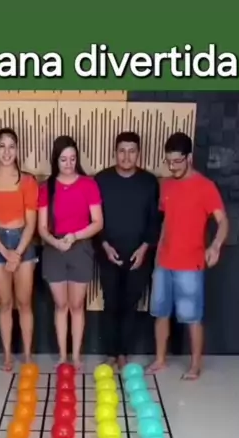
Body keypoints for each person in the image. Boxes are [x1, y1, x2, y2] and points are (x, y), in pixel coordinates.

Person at [148, 131, 228, 380]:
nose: (172, 166)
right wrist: (157, 256)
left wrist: (215, 246)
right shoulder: (167, 185)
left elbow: (223, 221)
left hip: (190, 265)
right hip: (164, 262)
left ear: (189, 158)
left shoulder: (205, 187)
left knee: (192, 317)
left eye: (177, 161)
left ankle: (195, 366)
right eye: (169, 161)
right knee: (160, 314)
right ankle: (160, 360)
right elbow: (167, 221)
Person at [95, 131, 161, 370]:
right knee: (111, 303)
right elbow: (94, 217)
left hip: (139, 255)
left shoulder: (149, 182)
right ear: (115, 152)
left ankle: (123, 352)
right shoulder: (101, 180)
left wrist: (144, 249)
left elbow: (155, 220)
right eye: (122, 151)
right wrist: (104, 244)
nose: (126, 156)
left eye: (131, 151)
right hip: (108, 252)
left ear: (138, 153)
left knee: (130, 305)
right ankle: (111, 353)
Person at [38, 135, 103, 369]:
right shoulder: (46, 188)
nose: (68, 164)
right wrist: (55, 243)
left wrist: (75, 236)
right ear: (56, 160)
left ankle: (76, 356)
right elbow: (41, 228)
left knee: (76, 305)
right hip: (54, 250)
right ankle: (63, 356)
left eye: (72, 158)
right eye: (63, 159)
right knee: (61, 305)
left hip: (80, 248)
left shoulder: (88, 185)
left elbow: (98, 222)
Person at [0, 128, 39, 371]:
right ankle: (7, 356)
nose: (6, 152)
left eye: (11, 146)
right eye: (2, 146)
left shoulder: (28, 181)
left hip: (23, 242)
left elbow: (31, 223)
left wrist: (18, 252)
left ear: (17, 150)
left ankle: (27, 355)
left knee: (24, 303)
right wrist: (5, 253)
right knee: (4, 302)